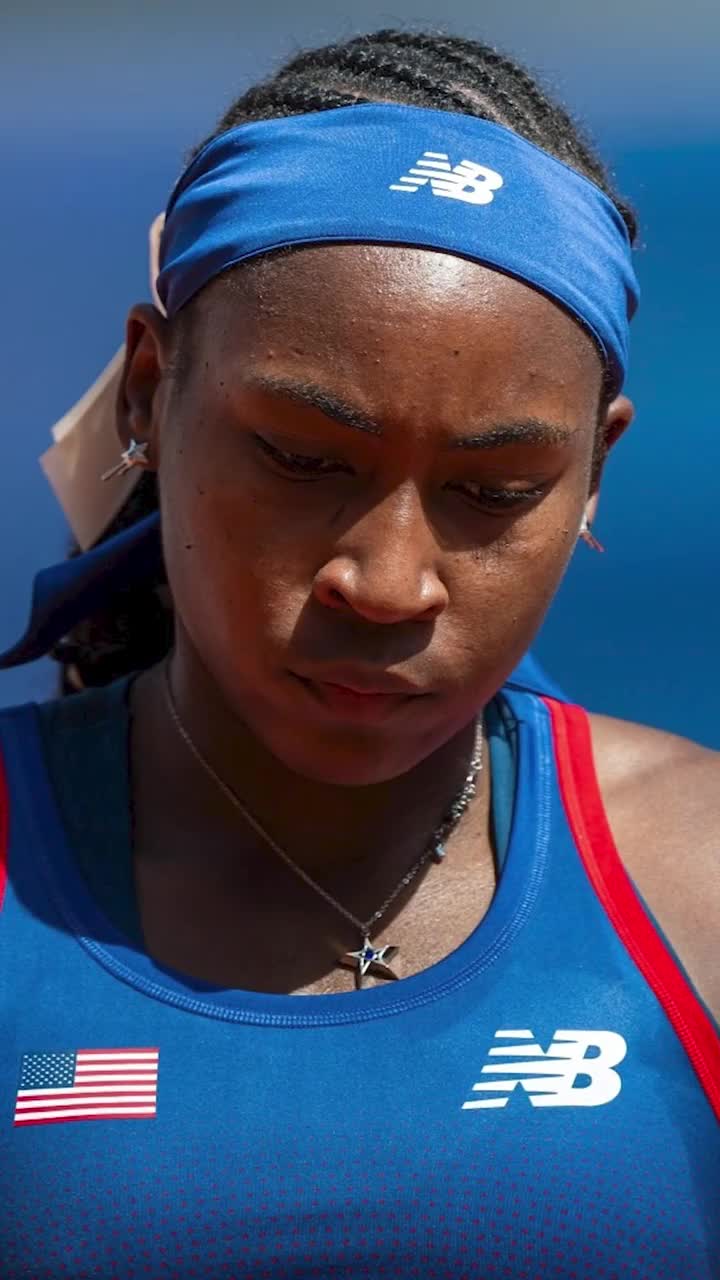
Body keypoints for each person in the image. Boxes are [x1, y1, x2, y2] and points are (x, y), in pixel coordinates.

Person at [1, 27, 718, 1280]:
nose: (388, 585)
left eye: (494, 489)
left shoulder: (700, 879)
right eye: (302, 460)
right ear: (148, 396)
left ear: (595, 468)